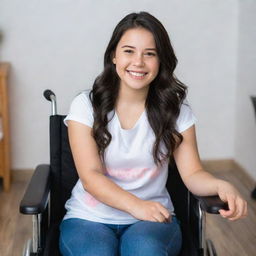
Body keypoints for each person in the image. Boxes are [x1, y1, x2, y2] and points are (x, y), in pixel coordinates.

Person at [59, 11, 247, 256]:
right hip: (88, 217)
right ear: (113, 56)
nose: (138, 62)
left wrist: (222, 184)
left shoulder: (176, 112)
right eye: (128, 51)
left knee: (144, 250)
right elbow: (91, 177)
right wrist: (136, 206)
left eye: (150, 53)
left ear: (161, 61)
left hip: (152, 220)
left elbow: (193, 173)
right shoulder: (85, 105)